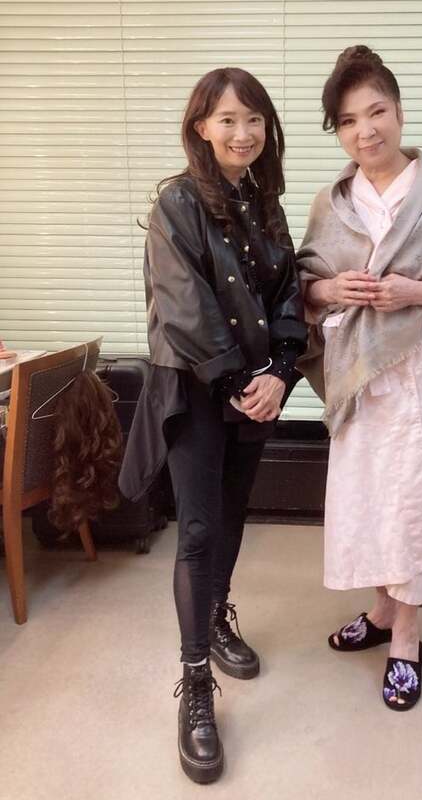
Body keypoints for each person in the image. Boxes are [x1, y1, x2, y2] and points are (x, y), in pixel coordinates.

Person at [297, 45, 422, 712]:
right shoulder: (333, 203)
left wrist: (414, 290)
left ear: (400, 112)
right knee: (364, 492)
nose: (366, 130)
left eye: (376, 111)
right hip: (358, 369)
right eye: (348, 120)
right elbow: (305, 285)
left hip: (417, 364)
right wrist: (332, 287)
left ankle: (407, 637)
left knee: (409, 495)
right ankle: (383, 610)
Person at [120, 68, 306, 783]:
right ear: (201, 127)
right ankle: (195, 680)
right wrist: (238, 384)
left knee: (231, 515)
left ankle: (218, 615)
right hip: (199, 391)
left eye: (254, 119)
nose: (243, 133)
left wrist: (280, 372)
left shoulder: (264, 200)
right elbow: (184, 306)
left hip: (253, 389)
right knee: (197, 530)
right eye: (228, 119)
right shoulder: (176, 202)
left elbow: (287, 293)